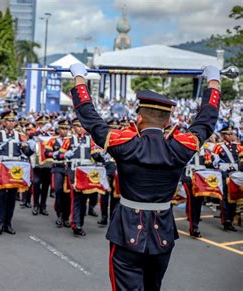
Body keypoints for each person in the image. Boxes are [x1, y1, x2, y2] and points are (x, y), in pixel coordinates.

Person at [69, 62, 220, 291]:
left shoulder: (126, 145)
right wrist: (213, 81)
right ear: (168, 122)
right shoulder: (181, 147)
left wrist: (79, 77)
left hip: (127, 229)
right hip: (163, 232)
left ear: (139, 119)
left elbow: (89, 118)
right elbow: (207, 121)